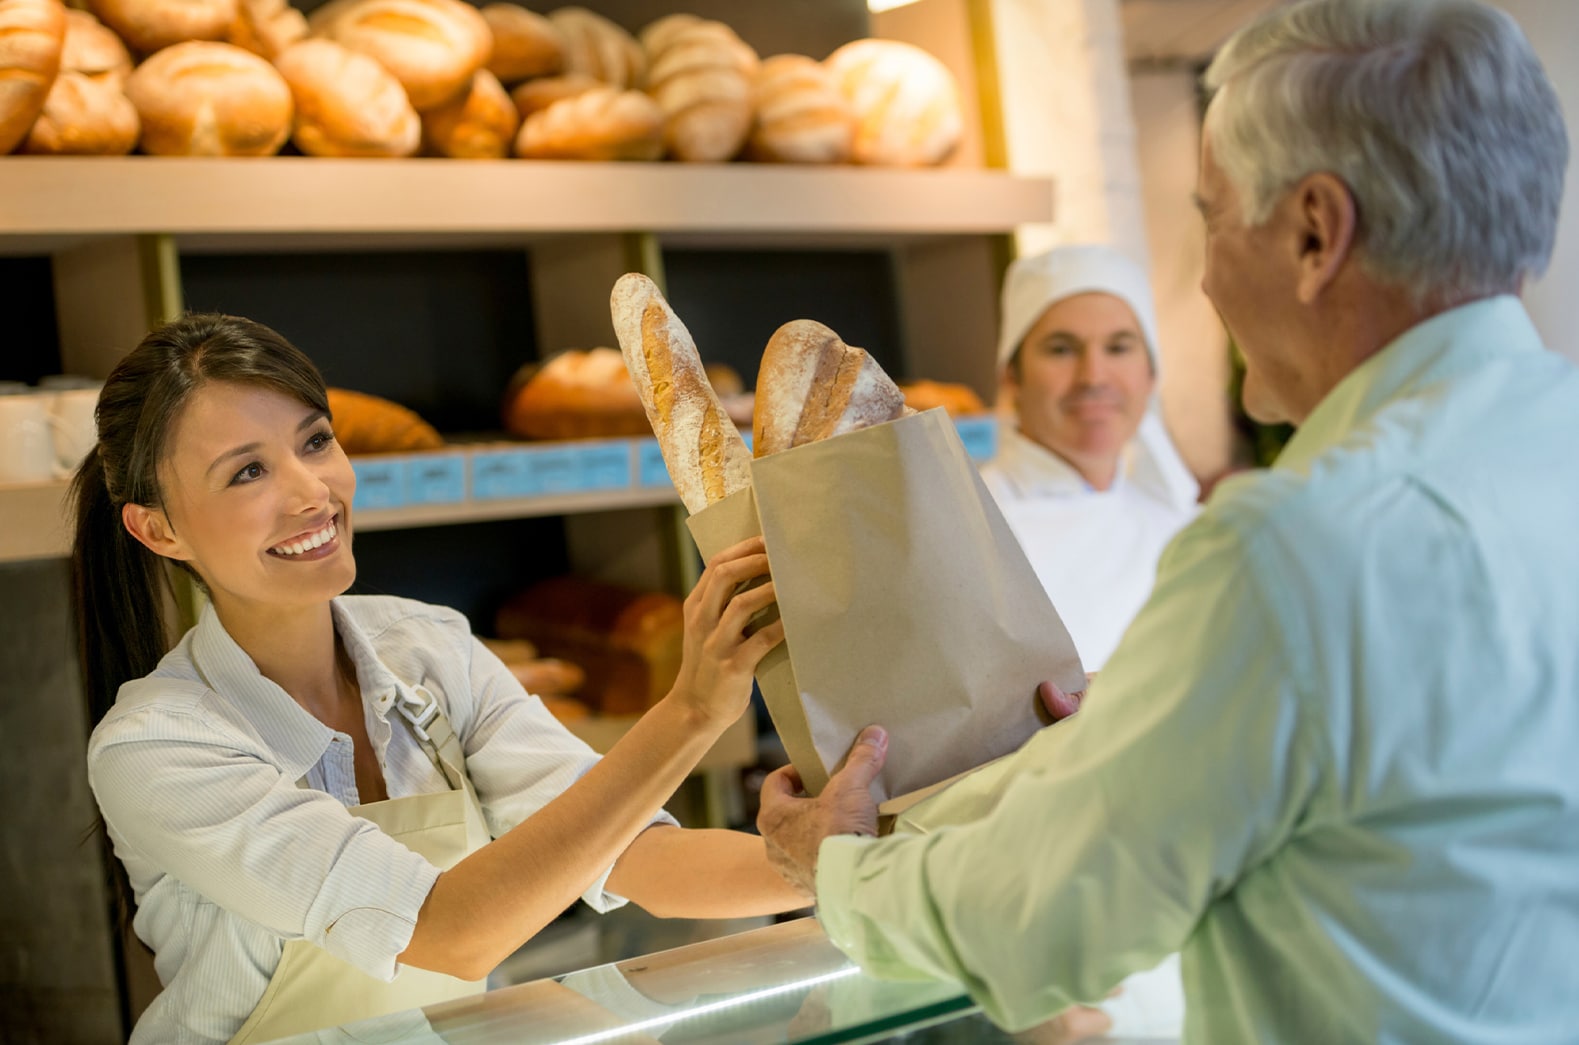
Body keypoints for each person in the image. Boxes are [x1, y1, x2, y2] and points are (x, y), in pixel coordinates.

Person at [757, 0, 1579, 1040]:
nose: (1202, 276)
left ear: (1315, 234)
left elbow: (1043, 922)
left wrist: (834, 867)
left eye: (1211, 217)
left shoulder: (1290, 549)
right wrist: (1148, 734)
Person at [74, 313, 808, 1045]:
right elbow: (452, 931)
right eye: (247, 471)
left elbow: (630, 852)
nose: (312, 492)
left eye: (315, 440)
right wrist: (690, 712)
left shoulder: (427, 648)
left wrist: (856, 870)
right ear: (157, 529)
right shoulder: (158, 746)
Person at [982, 244, 1199, 671]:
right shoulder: (969, 526)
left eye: (1119, 348)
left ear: (1151, 374)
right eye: (1062, 349)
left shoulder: (1188, 530)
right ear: (1011, 375)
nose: (1093, 377)